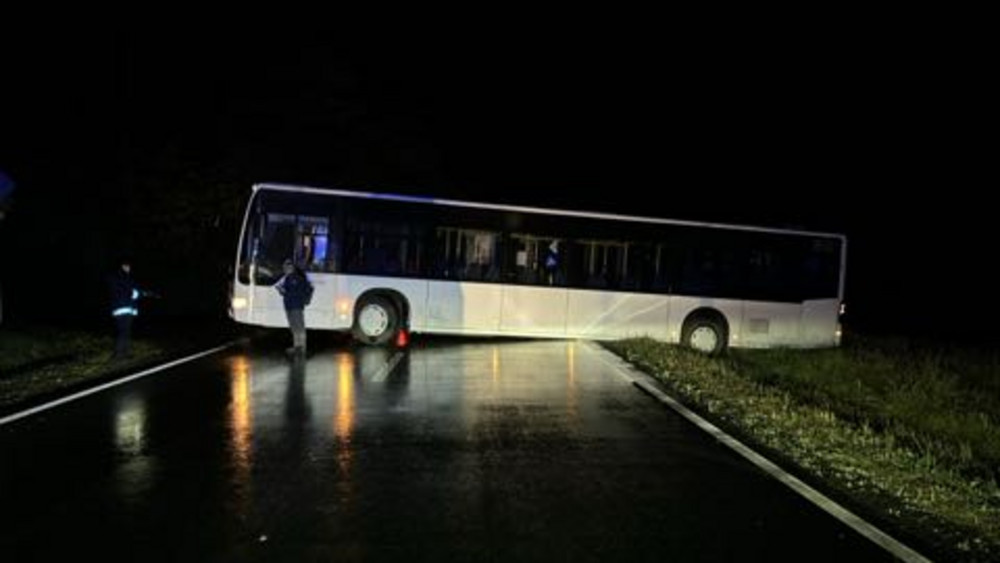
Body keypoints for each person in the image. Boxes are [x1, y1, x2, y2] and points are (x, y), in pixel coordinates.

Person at [275, 258, 313, 357]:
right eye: (284, 267)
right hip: (290, 306)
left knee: (298, 327)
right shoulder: (288, 278)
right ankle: (297, 347)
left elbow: (292, 292)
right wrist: (282, 290)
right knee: (295, 327)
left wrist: (282, 290)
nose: (285, 269)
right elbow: (288, 292)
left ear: (291, 268)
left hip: (295, 306)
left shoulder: (295, 278)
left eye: (287, 267)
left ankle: (302, 348)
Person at [107, 259, 143, 360]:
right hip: (122, 307)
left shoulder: (124, 277)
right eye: (126, 266)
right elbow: (125, 291)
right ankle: (118, 354)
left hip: (126, 308)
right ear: (122, 267)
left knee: (126, 331)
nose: (128, 268)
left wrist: (138, 293)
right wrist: (135, 293)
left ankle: (124, 353)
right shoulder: (119, 277)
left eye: (129, 266)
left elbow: (135, 291)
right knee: (123, 331)